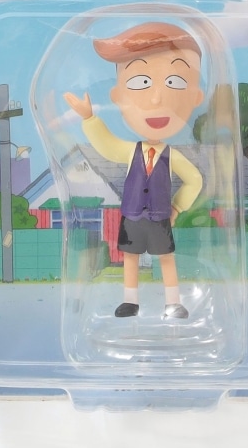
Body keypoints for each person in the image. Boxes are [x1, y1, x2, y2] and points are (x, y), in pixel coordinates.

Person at [64, 21, 204, 319]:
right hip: (132, 215)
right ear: (117, 96)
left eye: (175, 82)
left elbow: (194, 180)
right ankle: (130, 301)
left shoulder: (172, 155)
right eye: (141, 82)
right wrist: (89, 118)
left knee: (166, 257)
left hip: (160, 215)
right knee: (130, 256)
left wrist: (177, 207)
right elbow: (107, 145)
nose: (156, 99)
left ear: (196, 97)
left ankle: (173, 302)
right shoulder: (130, 151)